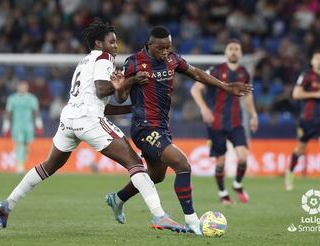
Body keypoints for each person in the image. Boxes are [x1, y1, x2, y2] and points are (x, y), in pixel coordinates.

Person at [0, 20, 183, 232]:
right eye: (111, 42)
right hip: (88, 120)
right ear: (98, 43)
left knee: (48, 166)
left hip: (70, 118)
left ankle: (7, 204)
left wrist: (131, 108)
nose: (115, 46)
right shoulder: (104, 58)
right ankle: (159, 216)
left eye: (116, 42)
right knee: (135, 163)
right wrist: (131, 82)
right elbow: (102, 90)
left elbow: (96, 99)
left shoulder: (84, 61)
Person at [105, 26, 252, 235]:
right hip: (143, 126)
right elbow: (120, 96)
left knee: (155, 176)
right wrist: (127, 83)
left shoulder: (173, 59)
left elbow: (197, 74)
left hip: (162, 126)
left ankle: (117, 199)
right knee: (182, 164)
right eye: (160, 48)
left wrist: (225, 86)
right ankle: (192, 221)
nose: (165, 52)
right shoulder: (134, 62)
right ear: (149, 45)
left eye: (168, 47)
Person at [190, 39, 258, 205]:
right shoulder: (215, 71)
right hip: (217, 123)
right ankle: (223, 193)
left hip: (236, 122)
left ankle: (237, 184)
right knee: (220, 162)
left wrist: (254, 115)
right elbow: (195, 89)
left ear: (241, 53)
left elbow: (247, 96)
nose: (234, 51)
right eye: (231, 48)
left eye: (237, 49)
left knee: (243, 158)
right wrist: (204, 109)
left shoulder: (244, 73)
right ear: (226, 52)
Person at [284, 49, 320, 193]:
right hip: (307, 119)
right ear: (312, 61)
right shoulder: (306, 76)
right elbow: (296, 94)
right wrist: (317, 94)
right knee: (300, 149)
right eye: (317, 59)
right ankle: (290, 172)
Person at [2, 81, 43, 173]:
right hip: (17, 125)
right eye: (21, 86)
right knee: (19, 143)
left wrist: (39, 125)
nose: (23, 88)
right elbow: (8, 113)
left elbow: (36, 113)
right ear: (18, 87)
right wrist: (6, 126)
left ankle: (22, 163)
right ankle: (19, 165)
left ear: (27, 87)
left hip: (28, 126)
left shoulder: (32, 99)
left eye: (24, 87)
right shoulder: (12, 99)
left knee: (26, 145)